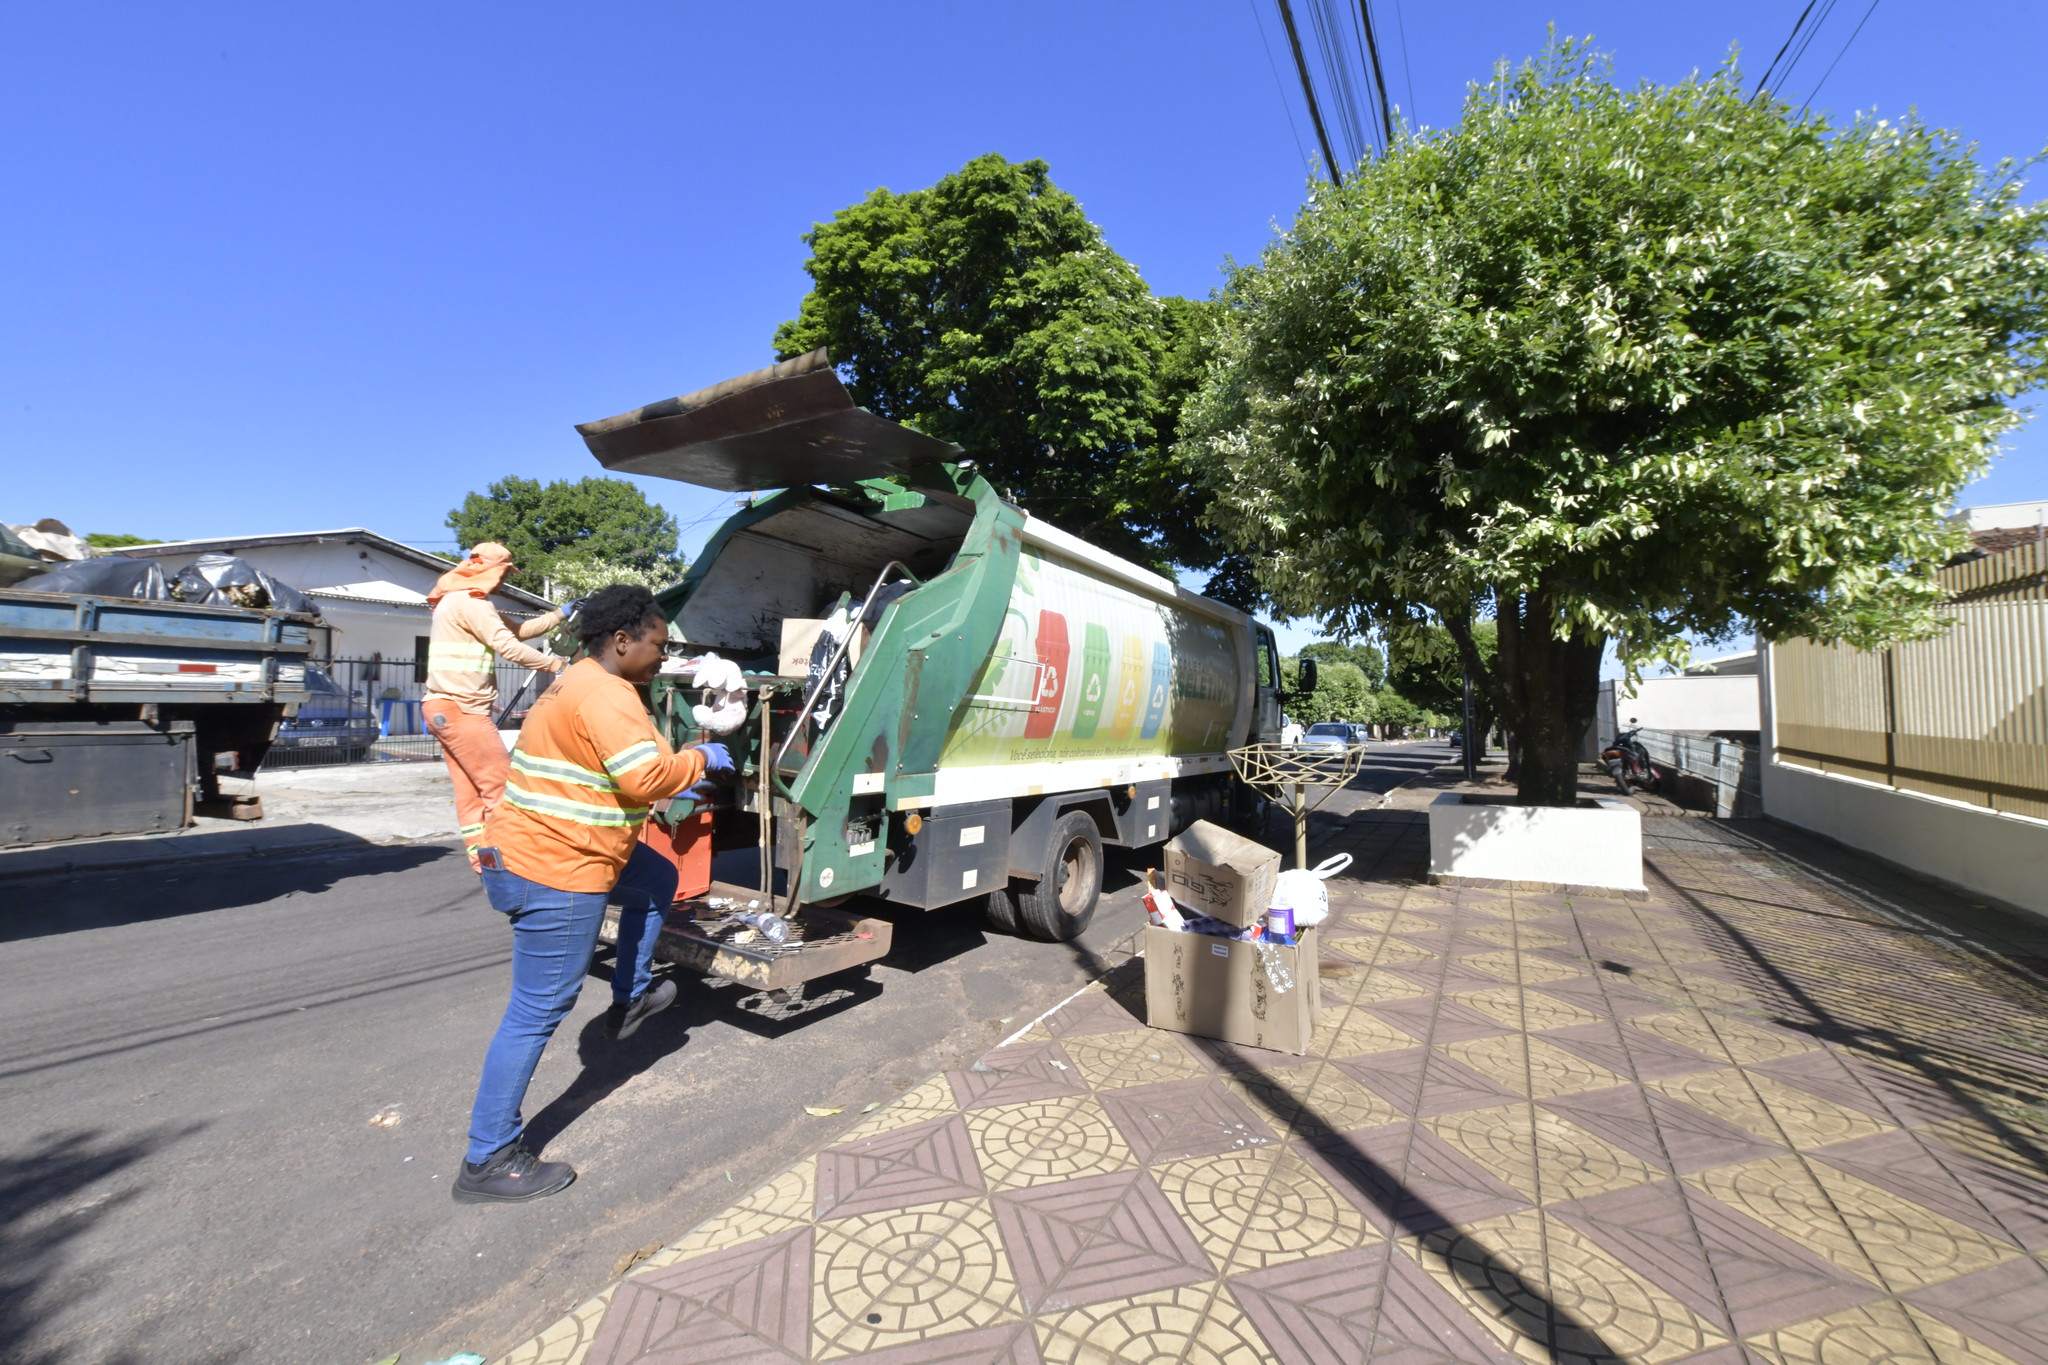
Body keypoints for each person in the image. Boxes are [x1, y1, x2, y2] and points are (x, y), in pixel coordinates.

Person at [454, 584, 733, 1204]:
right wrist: (699, 759)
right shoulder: (609, 694)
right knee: (535, 1013)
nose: (662, 658)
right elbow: (642, 776)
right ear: (622, 640)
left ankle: (630, 997)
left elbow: (614, 770)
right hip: (558, 868)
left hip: (544, 849)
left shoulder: (578, 679)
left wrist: (671, 774)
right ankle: (488, 1158)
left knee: (656, 878)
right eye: (658, 646)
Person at [421, 542, 569, 867]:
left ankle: (484, 862)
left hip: (442, 709)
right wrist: (558, 666)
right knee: (502, 789)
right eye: (503, 573)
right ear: (490, 570)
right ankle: (514, 862)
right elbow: (509, 648)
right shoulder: (472, 603)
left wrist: (562, 613)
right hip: (464, 711)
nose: (504, 581)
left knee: (470, 794)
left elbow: (517, 632)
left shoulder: (456, 599)